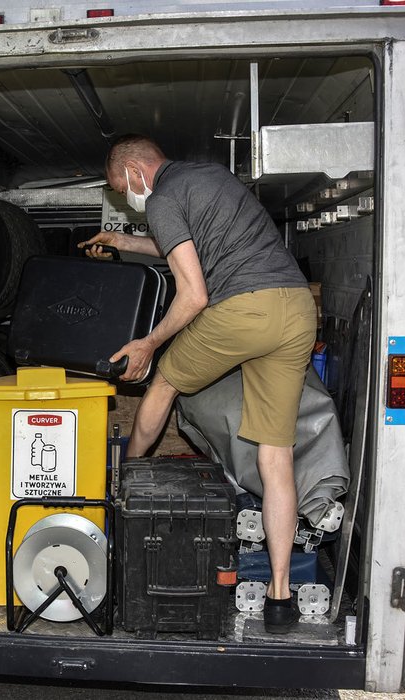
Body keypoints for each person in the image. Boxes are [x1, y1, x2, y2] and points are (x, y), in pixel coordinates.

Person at [80, 134, 317, 634]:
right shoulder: (210, 177)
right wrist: (123, 241)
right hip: (295, 310)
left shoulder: (163, 197)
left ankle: (127, 487)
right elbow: (181, 247)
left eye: (122, 188)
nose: (126, 199)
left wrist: (148, 343)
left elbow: (192, 295)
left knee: (162, 383)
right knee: (275, 457)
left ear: (138, 171)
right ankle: (279, 596)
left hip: (243, 309)